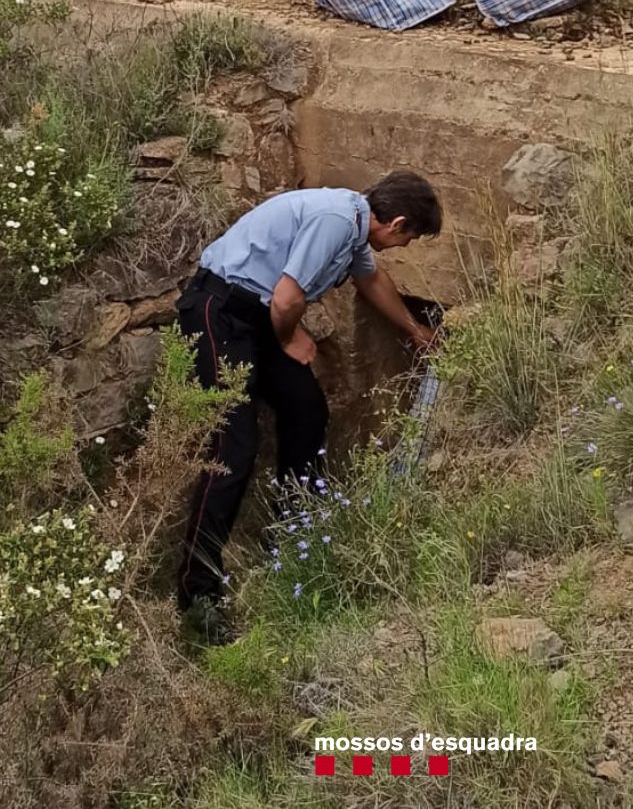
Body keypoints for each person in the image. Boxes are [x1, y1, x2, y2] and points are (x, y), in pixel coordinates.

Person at [175, 170, 442, 642]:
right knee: (233, 448)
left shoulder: (355, 226)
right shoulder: (336, 219)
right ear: (395, 224)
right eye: (410, 239)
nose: (404, 248)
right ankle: (199, 593)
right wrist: (290, 338)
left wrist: (416, 333)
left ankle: (294, 538)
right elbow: (286, 300)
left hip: (256, 317)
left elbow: (371, 281)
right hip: (220, 314)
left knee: (307, 411)